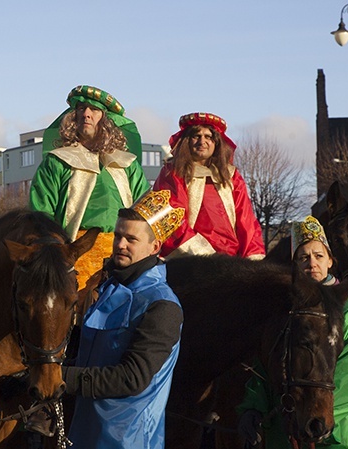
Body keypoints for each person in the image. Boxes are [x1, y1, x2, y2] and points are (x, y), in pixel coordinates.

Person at [60, 189, 184, 448]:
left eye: (131, 239)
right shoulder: (106, 288)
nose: (120, 244)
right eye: (117, 236)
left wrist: (59, 378)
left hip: (129, 440)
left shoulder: (162, 304)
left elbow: (133, 378)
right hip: (85, 433)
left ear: (154, 247)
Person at [237, 215, 348, 449]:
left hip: (335, 434)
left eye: (319, 256)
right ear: (295, 266)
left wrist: (313, 415)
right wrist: (254, 405)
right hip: (285, 433)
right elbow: (267, 364)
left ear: (331, 261)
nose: (312, 263)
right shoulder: (283, 310)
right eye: (303, 257)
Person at [29, 85, 150, 291]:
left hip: (123, 253)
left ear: (106, 119)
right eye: (81, 109)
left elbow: (146, 211)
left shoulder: (127, 164)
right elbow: (41, 217)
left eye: (93, 110)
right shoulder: (57, 162)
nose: (86, 114)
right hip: (72, 255)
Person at [153, 112, 265, 259]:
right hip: (189, 259)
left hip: (230, 260)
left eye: (208, 137)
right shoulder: (173, 172)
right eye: (196, 136)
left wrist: (252, 260)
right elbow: (172, 218)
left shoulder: (231, 176)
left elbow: (246, 219)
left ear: (216, 143)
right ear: (187, 141)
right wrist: (203, 255)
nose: (202, 141)